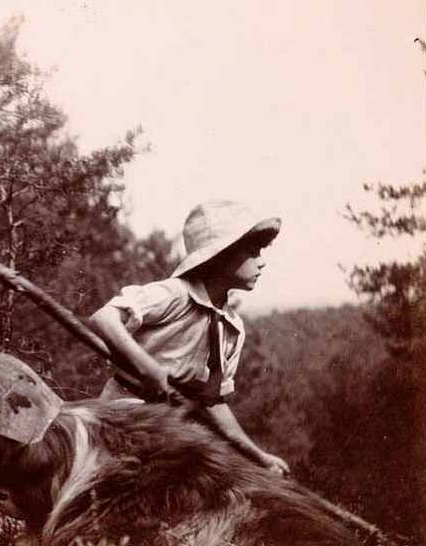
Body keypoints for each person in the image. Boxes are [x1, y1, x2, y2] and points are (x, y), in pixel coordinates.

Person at [88, 200, 290, 476]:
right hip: (123, 416)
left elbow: (213, 402)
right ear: (222, 255)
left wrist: (258, 456)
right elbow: (103, 318)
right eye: (252, 252)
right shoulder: (175, 295)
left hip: (172, 427)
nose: (261, 262)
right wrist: (146, 366)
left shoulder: (231, 328)